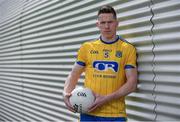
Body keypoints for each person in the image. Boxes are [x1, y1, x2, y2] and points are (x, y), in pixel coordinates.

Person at [63, 5, 137, 122]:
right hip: (89, 112)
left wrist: (106, 99)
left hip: (116, 114)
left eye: (110, 22)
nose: (106, 26)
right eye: (102, 23)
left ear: (117, 23)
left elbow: (132, 84)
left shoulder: (128, 49)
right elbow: (74, 74)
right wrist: (66, 93)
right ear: (97, 24)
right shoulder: (87, 47)